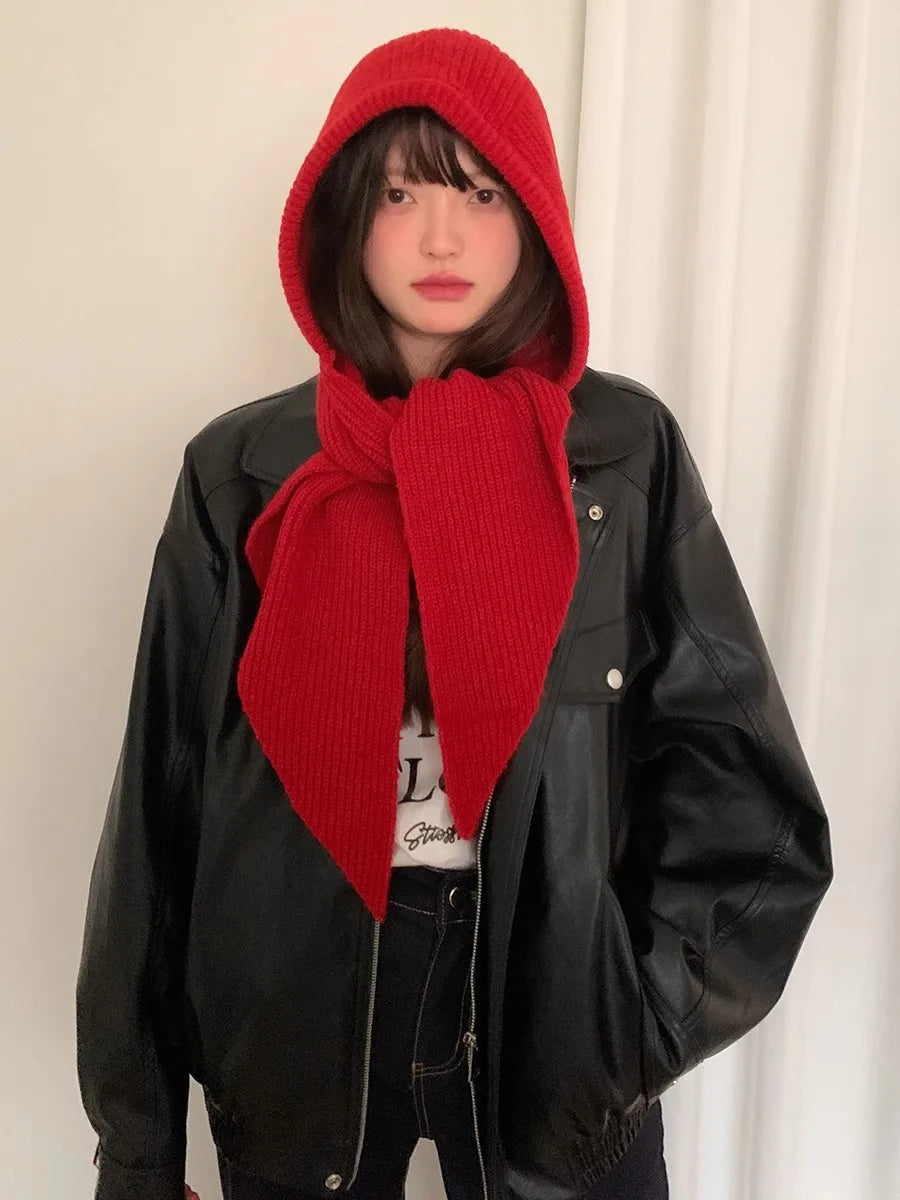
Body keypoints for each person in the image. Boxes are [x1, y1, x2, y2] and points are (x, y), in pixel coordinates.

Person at [75, 26, 834, 1200]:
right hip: (297, 1024)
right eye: (400, 193)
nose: (442, 236)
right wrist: (138, 1150)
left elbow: (746, 797)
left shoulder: (617, 456)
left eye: (481, 193)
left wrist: (626, 1027)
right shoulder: (244, 472)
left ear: (534, 222)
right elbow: (158, 821)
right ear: (344, 217)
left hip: (552, 1015)